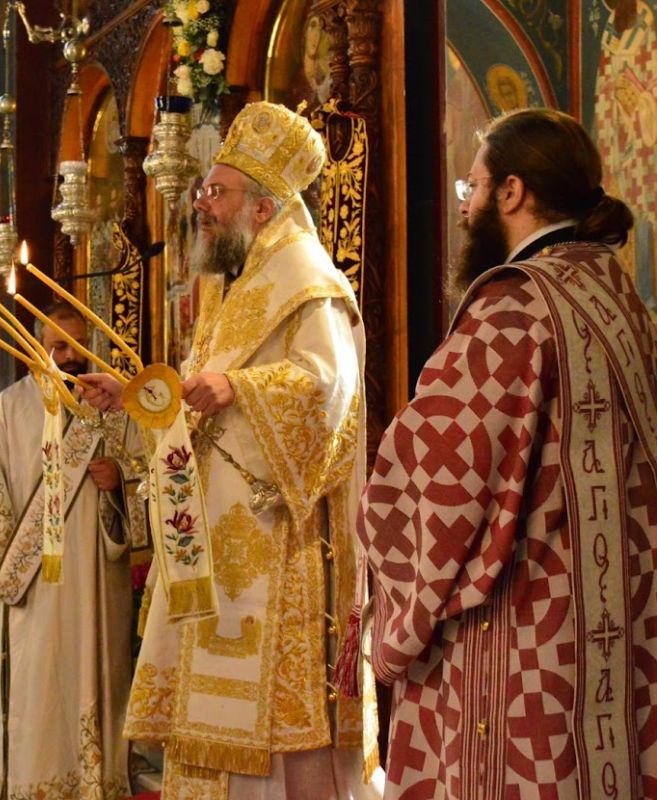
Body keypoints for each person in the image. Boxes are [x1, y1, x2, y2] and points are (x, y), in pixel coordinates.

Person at [80, 101, 382, 800]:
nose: (201, 204)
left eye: (215, 191)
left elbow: (329, 389)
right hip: (212, 541)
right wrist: (135, 394)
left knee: (276, 732)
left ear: (262, 207)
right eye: (203, 190)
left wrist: (239, 387)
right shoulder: (233, 288)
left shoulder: (307, 284)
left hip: (277, 543)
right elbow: (199, 400)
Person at [357, 108, 657, 799]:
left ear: (512, 192)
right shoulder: (613, 292)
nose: (465, 207)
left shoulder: (514, 307)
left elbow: (440, 474)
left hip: (527, 620)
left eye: (473, 188)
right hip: (614, 613)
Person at [0, 302, 134, 799]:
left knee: (100, 678)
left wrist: (120, 482)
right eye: (58, 346)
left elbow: (149, 476)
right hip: (36, 587)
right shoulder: (8, 409)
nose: (70, 357)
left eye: (77, 346)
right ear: (38, 347)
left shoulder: (114, 406)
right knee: (40, 690)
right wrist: (1, 564)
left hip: (98, 578)